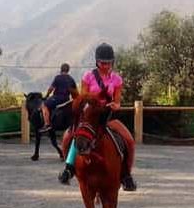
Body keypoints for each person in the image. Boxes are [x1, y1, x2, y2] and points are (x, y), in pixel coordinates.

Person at [58, 43, 137, 191]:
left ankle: (126, 175)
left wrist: (115, 105)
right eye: (102, 62)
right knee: (68, 137)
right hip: (89, 116)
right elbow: (84, 98)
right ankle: (68, 168)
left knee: (130, 141)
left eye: (108, 62)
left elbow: (118, 101)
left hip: (107, 116)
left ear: (112, 62)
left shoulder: (117, 80)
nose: (105, 65)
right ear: (97, 62)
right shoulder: (88, 76)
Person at [40, 63, 77, 132]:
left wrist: (46, 96)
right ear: (68, 70)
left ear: (61, 69)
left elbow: (51, 88)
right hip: (66, 99)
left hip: (57, 98)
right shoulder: (71, 79)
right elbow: (75, 93)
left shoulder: (58, 77)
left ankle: (47, 124)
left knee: (44, 105)